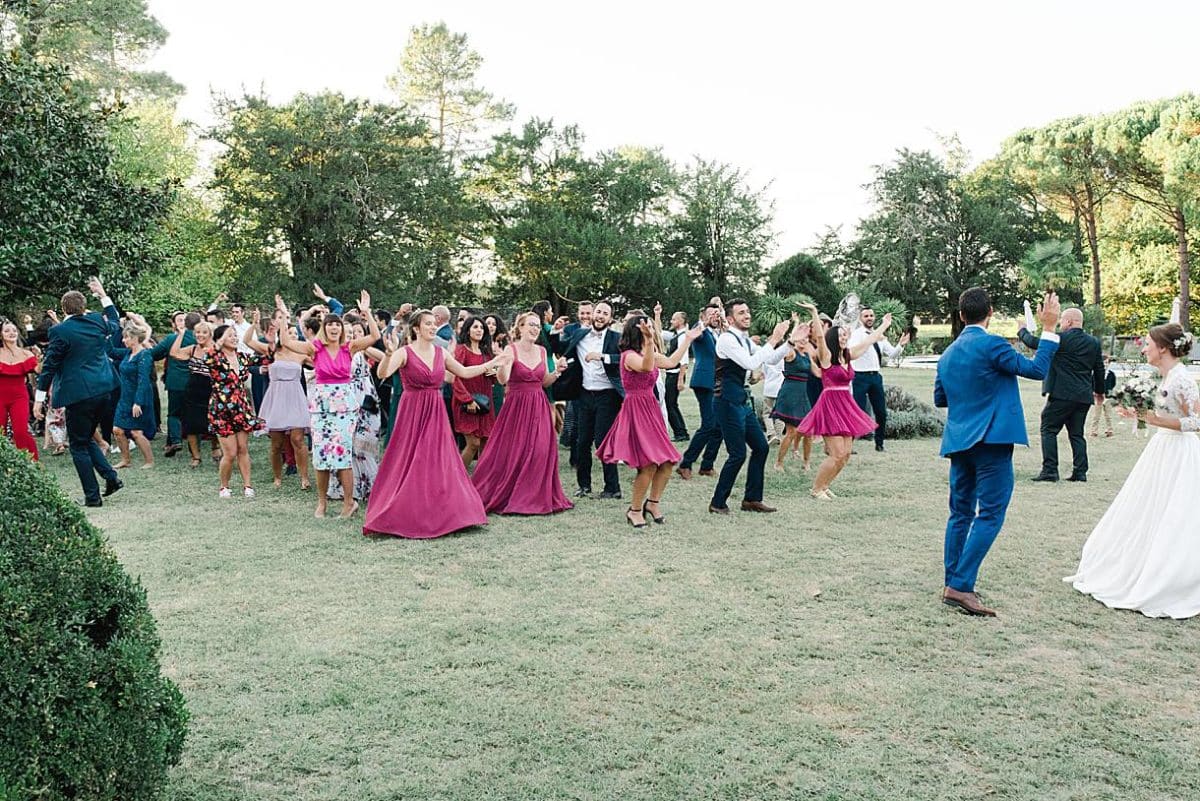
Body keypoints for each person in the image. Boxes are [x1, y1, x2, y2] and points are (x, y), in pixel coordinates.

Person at [934, 288, 1061, 617]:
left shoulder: (947, 354)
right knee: (989, 514)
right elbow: (1036, 370)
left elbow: (940, 398)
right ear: (989, 313)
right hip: (991, 441)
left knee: (960, 514)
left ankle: (953, 582)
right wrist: (1048, 328)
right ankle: (960, 586)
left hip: (960, 441)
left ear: (962, 315)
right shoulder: (991, 344)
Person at [1064, 324, 1200, 618]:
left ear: (1163, 347)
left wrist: (1149, 418)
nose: (1144, 348)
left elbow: (1195, 422)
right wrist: (1138, 413)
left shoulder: (1183, 379)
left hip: (1179, 452)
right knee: (1148, 509)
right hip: (1161, 450)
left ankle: (1171, 577)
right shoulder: (1164, 376)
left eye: (1148, 343)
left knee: (1175, 514)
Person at [365, 310, 507, 539]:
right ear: (416, 328)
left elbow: (464, 372)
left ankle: (445, 511)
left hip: (436, 411)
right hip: (412, 413)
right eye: (428, 324)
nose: (433, 327)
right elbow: (383, 372)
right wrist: (389, 354)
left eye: (434, 324)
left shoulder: (441, 352)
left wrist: (495, 362)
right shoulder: (404, 352)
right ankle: (406, 510)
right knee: (411, 459)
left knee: (438, 459)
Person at [278, 292, 380, 518]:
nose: (334, 328)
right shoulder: (314, 348)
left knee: (343, 454)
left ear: (342, 329)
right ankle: (322, 503)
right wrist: (284, 317)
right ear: (325, 328)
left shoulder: (349, 348)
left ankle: (348, 503)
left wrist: (367, 311)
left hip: (344, 406)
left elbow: (374, 335)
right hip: (322, 405)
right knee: (322, 456)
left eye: (337, 325)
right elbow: (285, 342)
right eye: (330, 325)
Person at [598, 314, 701, 528]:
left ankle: (653, 504)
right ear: (637, 331)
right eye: (648, 328)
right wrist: (648, 341)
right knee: (648, 464)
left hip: (651, 408)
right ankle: (634, 510)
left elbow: (672, 362)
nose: (652, 331)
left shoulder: (651, 352)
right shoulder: (627, 356)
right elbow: (645, 367)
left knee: (667, 462)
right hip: (635, 409)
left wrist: (688, 340)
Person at [32, 278, 123, 507]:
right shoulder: (95, 321)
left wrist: (39, 399)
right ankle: (111, 478)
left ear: (63, 309)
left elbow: (50, 365)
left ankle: (92, 497)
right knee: (84, 437)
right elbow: (114, 320)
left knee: (78, 445)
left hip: (80, 395)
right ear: (83, 307)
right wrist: (102, 294)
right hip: (106, 388)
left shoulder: (60, 331)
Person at [472, 312, 573, 515]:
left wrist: (558, 372)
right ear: (520, 328)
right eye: (531, 325)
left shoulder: (543, 351)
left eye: (538, 326)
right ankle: (510, 493)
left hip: (539, 404)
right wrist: (503, 366)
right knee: (513, 451)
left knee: (540, 449)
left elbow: (544, 381)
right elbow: (502, 380)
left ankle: (534, 495)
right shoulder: (511, 349)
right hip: (516, 407)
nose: (535, 329)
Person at [708, 299, 791, 515]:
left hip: (742, 402)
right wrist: (773, 338)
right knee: (737, 453)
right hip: (726, 401)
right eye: (741, 312)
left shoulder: (744, 340)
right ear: (730, 318)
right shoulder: (727, 340)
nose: (747, 315)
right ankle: (718, 502)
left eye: (747, 311)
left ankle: (752, 500)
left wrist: (790, 343)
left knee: (761, 448)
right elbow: (750, 364)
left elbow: (770, 359)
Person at [800, 310, 894, 499]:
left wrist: (884, 324)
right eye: (841, 335)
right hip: (830, 406)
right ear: (834, 338)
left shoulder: (848, 356)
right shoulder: (827, 357)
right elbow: (819, 336)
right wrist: (814, 314)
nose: (844, 337)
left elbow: (869, 341)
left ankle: (825, 485)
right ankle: (816, 489)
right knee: (836, 454)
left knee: (846, 454)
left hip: (846, 406)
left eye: (845, 334)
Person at [1018, 308, 1106, 482]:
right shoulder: (1093, 342)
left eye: (1062, 320)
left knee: (1048, 428)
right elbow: (1099, 369)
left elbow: (1035, 342)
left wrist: (1022, 330)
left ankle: (1050, 470)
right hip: (1083, 396)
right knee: (1076, 434)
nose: (1059, 323)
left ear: (1070, 322)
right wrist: (1100, 391)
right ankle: (1080, 472)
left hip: (1062, 393)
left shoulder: (1060, 339)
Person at [552, 300, 625, 499]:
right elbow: (561, 347)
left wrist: (603, 357)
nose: (601, 316)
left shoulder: (617, 338)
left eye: (605, 313)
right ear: (593, 314)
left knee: (603, 441)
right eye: (598, 312)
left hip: (607, 396)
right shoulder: (579, 334)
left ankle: (613, 488)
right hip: (584, 394)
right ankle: (583, 486)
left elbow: (626, 358)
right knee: (582, 441)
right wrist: (556, 332)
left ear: (610, 319)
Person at [243, 308, 312, 490]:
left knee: (298, 439)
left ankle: (304, 477)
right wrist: (254, 323)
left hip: (295, 396)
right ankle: (277, 477)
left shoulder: (300, 354)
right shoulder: (270, 350)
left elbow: (319, 362)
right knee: (276, 443)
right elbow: (247, 341)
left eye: (287, 332)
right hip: (276, 398)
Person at [205, 324, 264, 499]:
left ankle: (247, 485)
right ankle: (224, 486)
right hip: (221, 409)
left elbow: (264, 357)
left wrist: (256, 327)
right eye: (230, 335)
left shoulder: (242, 358)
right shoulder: (215, 358)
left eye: (235, 335)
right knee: (230, 452)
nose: (234, 338)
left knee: (243, 448)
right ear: (220, 339)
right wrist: (220, 340)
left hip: (241, 408)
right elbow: (208, 355)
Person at [848, 307, 910, 452]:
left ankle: (879, 443)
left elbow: (892, 355)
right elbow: (852, 351)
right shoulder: (857, 335)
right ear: (860, 319)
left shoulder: (881, 337)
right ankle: (849, 444)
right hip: (860, 377)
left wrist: (900, 345)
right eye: (866, 316)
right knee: (857, 411)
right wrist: (873, 338)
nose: (869, 318)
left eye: (871, 315)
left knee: (881, 412)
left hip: (875, 377)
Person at [676, 304, 724, 480]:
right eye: (711, 314)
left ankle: (707, 465)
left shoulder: (717, 334)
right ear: (702, 316)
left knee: (719, 427)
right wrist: (704, 321)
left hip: (718, 383)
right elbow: (697, 330)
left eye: (716, 314)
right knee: (709, 424)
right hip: (704, 382)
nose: (714, 317)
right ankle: (686, 463)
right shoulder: (699, 331)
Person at [772, 314, 823, 472]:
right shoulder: (791, 353)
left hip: (802, 395)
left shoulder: (807, 355)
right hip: (789, 393)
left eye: (806, 338)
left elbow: (819, 373)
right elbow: (789, 343)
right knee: (792, 431)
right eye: (801, 338)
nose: (804, 340)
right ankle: (778, 463)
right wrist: (796, 326)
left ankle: (806, 463)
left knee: (808, 430)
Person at [109, 318, 157, 469]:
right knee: (117, 430)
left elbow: (143, 381)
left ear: (135, 338)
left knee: (136, 432)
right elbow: (110, 351)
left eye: (126, 337)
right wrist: (105, 335)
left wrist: (138, 402)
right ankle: (125, 460)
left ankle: (149, 461)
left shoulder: (144, 355)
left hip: (139, 397)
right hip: (125, 397)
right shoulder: (127, 353)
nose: (123, 340)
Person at [452, 316, 497, 469]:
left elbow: (494, 379)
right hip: (466, 401)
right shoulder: (461, 350)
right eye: (475, 327)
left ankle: (482, 481)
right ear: (468, 330)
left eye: (481, 328)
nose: (479, 330)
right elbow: (455, 377)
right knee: (473, 443)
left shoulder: (487, 353)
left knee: (486, 441)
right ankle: (458, 477)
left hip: (484, 401)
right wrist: (467, 400)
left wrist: (497, 365)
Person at [171, 318, 214, 469]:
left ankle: (216, 449)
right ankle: (196, 457)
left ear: (210, 334)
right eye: (197, 332)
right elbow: (174, 353)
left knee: (214, 423)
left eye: (204, 332)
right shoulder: (193, 348)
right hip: (192, 390)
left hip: (212, 390)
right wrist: (181, 334)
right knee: (190, 425)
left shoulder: (217, 349)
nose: (200, 335)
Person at [149, 311, 193, 457]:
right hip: (194, 382)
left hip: (177, 382)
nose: (181, 323)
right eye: (179, 320)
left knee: (174, 413)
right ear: (174, 324)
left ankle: (175, 440)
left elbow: (154, 354)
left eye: (183, 320)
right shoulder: (199, 337)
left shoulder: (171, 339)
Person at [0, 318, 39, 460]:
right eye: (7, 330)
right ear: (1, 334)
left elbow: (38, 370)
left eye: (14, 330)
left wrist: (39, 359)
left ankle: (32, 464)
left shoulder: (26, 354)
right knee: (0, 433)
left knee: (21, 432)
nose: (11, 333)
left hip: (19, 397)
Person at [662, 311, 691, 442]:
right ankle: (681, 432)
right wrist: (657, 315)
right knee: (672, 404)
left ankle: (681, 433)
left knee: (670, 404)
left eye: (674, 319)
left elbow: (684, 360)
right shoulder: (676, 335)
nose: (671, 321)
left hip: (675, 375)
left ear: (681, 321)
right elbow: (659, 332)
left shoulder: (683, 336)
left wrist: (680, 380)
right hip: (671, 374)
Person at [483, 314, 509, 416]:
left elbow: (507, 366)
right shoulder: (479, 345)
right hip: (483, 385)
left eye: (494, 324)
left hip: (498, 385)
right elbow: (485, 371)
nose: (491, 326)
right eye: (488, 323)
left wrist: (500, 356)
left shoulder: (502, 345)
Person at [1088, 356, 1117, 438]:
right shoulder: (1095, 373)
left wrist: (1109, 392)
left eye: (1107, 363)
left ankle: (1109, 430)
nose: (1105, 365)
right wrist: (1094, 392)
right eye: (1103, 363)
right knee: (1096, 415)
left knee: (1108, 415)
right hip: (1098, 396)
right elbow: (1092, 383)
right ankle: (1094, 431)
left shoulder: (1111, 374)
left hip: (1107, 397)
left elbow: (1113, 384)